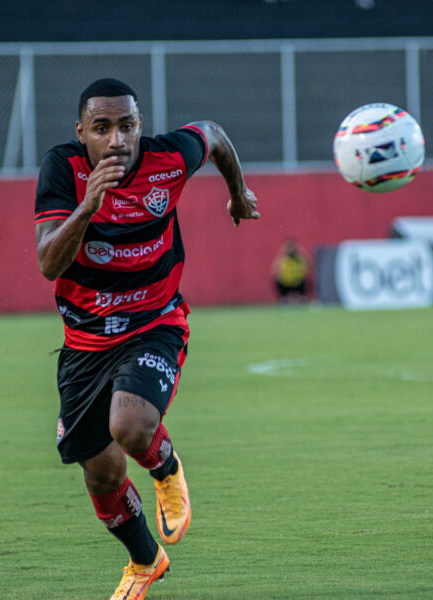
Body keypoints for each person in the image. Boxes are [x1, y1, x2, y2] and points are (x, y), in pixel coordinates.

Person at [33, 78, 259, 600]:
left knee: (131, 427)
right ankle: (144, 562)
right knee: (102, 476)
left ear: (141, 126)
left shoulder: (169, 158)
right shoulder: (62, 170)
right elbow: (48, 263)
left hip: (154, 323)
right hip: (85, 345)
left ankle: (166, 467)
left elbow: (216, 135)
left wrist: (238, 192)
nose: (117, 140)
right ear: (81, 134)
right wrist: (88, 205)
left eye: (127, 125)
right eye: (102, 128)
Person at [270, 237, 312, 305]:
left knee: (308, 279)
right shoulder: (283, 258)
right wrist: (281, 254)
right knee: (276, 279)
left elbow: (311, 266)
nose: (291, 250)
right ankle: (284, 298)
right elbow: (273, 271)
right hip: (286, 283)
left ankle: (302, 297)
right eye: (288, 247)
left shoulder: (300, 257)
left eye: (292, 247)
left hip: (298, 283)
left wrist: (302, 252)